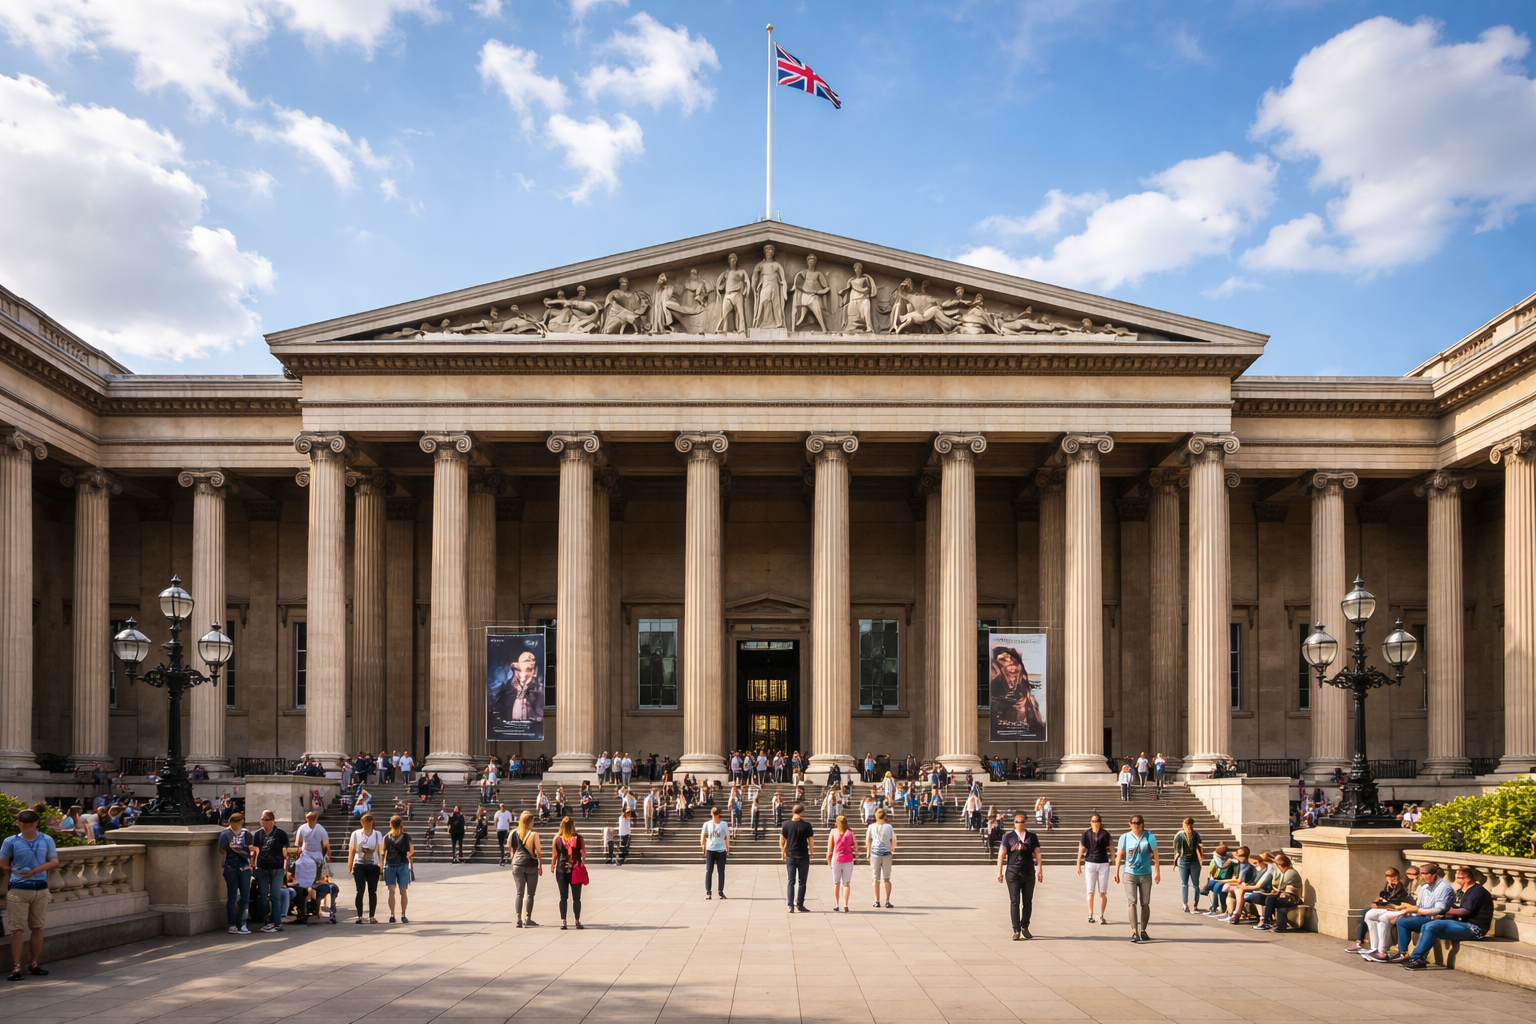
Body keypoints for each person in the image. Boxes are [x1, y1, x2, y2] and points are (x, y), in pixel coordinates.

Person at [3, 809, 60, 979]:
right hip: (18, 889)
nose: (27, 827)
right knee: (16, 930)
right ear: (19, 824)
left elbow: (54, 861)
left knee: (37, 927)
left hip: (40, 888)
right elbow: (2, 862)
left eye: (30, 824)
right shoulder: (11, 841)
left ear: (36, 824)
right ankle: (16, 968)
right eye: (24, 824)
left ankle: (34, 964)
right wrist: (13, 868)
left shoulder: (46, 839)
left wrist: (34, 871)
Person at [1400, 866, 1494, 970]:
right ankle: (1418, 958)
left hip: (1475, 929)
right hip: (1464, 925)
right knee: (1426, 925)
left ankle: (1417, 958)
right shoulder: (1465, 891)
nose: (1456, 879)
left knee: (1431, 926)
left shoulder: (1477, 891)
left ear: (1466, 878)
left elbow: (1465, 911)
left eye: (1458, 877)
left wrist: (1447, 910)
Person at [1371, 862, 1454, 962]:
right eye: (1421, 874)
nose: (1422, 877)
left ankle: (1414, 956)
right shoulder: (1424, 888)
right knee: (1402, 919)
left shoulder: (1444, 887)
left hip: (1439, 918)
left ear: (1434, 875)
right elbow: (1420, 906)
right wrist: (1410, 911)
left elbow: (1439, 909)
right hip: (1424, 916)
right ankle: (1402, 952)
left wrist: (1419, 911)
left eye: (1425, 874)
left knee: (1403, 921)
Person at [996, 812, 1043, 941]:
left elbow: (1038, 853)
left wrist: (1040, 869)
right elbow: (1001, 854)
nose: (1019, 824)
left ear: (1025, 822)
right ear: (1014, 823)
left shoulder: (1032, 836)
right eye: (1017, 821)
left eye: (1021, 821)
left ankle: (1025, 926)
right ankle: (1016, 929)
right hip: (1013, 872)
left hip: (1028, 872)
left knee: (1027, 901)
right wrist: (999, 871)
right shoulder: (1008, 837)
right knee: (1014, 901)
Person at [1114, 814, 1160, 943]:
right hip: (1129, 873)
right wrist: (1116, 872)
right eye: (1134, 822)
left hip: (1145, 874)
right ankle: (1134, 931)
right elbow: (1119, 855)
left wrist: (1158, 872)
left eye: (1138, 822)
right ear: (1130, 824)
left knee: (1145, 902)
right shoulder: (1125, 837)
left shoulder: (1149, 836)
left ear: (1142, 823)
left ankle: (1143, 930)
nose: (1136, 825)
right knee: (1132, 901)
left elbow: (1156, 855)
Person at [1350, 867, 1411, 956]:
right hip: (1384, 908)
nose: (1390, 878)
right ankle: (1366, 944)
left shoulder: (1400, 886)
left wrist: (1380, 905)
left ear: (1397, 876)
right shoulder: (1388, 886)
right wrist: (1378, 903)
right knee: (1366, 914)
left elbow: (1394, 901)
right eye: (1387, 876)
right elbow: (1383, 897)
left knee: (1377, 917)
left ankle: (1380, 949)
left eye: (1392, 875)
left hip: (1393, 909)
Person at [216, 810, 256, 935]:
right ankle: (232, 924)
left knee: (245, 896)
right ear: (232, 822)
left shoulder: (246, 834)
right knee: (232, 896)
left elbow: (252, 848)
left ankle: (242, 923)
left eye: (241, 822)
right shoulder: (225, 834)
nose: (240, 824)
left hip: (245, 866)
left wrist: (251, 861)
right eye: (239, 822)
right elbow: (221, 849)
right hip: (231, 866)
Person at [252, 810, 291, 933]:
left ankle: (277, 922)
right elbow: (254, 850)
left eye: (265, 820)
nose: (263, 822)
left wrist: (286, 865)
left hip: (277, 867)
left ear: (272, 821)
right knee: (263, 896)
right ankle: (266, 922)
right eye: (262, 819)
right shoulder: (258, 834)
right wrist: (252, 863)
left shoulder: (280, 834)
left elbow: (285, 851)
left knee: (275, 896)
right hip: (262, 868)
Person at [551, 816, 588, 930]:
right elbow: (583, 852)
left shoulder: (557, 839)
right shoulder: (578, 838)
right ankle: (577, 921)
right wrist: (583, 860)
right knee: (577, 897)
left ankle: (564, 921)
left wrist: (553, 865)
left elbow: (555, 855)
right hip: (575, 870)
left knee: (563, 897)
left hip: (561, 870)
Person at [1076, 813, 1113, 925]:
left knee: (1102, 892)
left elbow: (1111, 847)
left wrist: (1114, 861)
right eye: (1093, 821)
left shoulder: (1105, 834)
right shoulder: (1086, 834)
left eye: (1096, 821)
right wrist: (1078, 863)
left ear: (1100, 822)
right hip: (1090, 862)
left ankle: (1101, 915)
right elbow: (1081, 848)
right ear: (1090, 822)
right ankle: (1090, 914)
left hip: (1103, 863)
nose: (1094, 823)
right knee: (1090, 891)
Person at [348, 812, 384, 924]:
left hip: (373, 864)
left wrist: (381, 864)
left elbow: (380, 851)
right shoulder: (356, 834)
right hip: (359, 864)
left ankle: (371, 916)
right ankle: (359, 915)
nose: (366, 823)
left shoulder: (377, 834)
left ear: (372, 822)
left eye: (368, 821)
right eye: (364, 821)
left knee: (372, 891)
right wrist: (350, 865)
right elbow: (352, 850)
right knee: (360, 890)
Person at [378, 814, 413, 924]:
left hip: (391, 864)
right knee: (403, 890)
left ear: (391, 824)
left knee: (391, 891)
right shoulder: (406, 836)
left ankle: (393, 914)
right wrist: (407, 857)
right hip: (402, 863)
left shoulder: (387, 837)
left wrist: (381, 864)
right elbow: (411, 850)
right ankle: (403, 914)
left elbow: (382, 852)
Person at [780, 803, 815, 913]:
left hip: (790, 855)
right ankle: (800, 904)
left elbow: (782, 840)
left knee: (791, 880)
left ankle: (790, 905)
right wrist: (812, 852)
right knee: (802, 881)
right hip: (803, 855)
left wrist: (782, 851)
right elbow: (811, 840)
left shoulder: (785, 825)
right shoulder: (807, 825)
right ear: (802, 813)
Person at [510, 810, 542, 928]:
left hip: (517, 865)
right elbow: (538, 852)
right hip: (531, 864)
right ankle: (527, 918)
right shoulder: (534, 835)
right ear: (529, 822)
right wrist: (540, 865)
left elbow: (511, 850)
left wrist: (513, 862)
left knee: (519, 893)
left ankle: (518, 918)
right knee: (530, 893)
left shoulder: (513, 833)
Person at [1255, 852, 1302, 932]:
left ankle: (1267, 921)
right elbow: (1276, 887)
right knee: (1261, 898)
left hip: (1291, 898)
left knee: (1270, 899)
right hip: (1281, 896)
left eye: (1276, 861)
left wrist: (1272, 892)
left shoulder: (1291, 873)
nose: (1274, 863)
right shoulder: (1281, 872)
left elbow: (1280, 887)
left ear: (1281, 862)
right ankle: (1269, 921)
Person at [865, 807, 897, 909]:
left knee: (876, 879)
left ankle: (877, 900)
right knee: (887, 878)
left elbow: (868, 840)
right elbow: (894, 839)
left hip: (875, 853)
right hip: (887, 853)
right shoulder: (889, 827)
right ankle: (887, 900)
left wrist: (868, 852)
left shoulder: (871, 826)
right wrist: (892, 848)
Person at [1173, 817, 1204, 914]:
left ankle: (1185, 904)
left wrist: (1174, 863)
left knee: (1184, 884)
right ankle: (1195, 905)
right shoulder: (1197, 834)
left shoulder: (1179, 835)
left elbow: (1176, 850)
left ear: (1183, 824)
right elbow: (1200, 847)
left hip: (1183, 861)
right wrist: (1201, 858)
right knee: (1196, 885)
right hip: (1194, 861)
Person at [826, 814, 857, 913]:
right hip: (848, 860)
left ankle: (836, 904)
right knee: (846, 883)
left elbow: (830, 849)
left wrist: (828, 860)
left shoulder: (833, 832)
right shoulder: (850, 832)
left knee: (836, 883)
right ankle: (846, 904)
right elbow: (855, 847)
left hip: (836, 860)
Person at [701, 806, 731, 899]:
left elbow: (727, 836)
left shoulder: (724, 824)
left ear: (718, 815)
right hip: (710, 849)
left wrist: (727, 847)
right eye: (713, 813)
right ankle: (708, 891)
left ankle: (720, 890)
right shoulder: (707, 824)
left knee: (721, 871)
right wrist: (703, 847)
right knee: (709, 870)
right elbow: (703, 836)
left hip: (721, 850)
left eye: (715, 814)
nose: (713, 816)